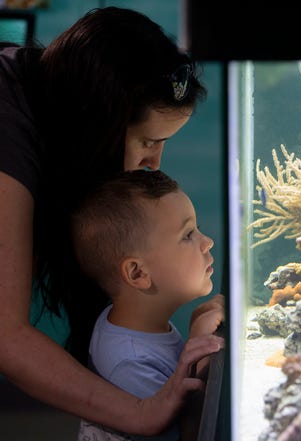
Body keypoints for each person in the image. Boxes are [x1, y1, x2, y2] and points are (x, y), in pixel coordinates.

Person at [0, 6, 223, 437]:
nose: (153, 164)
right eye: (148, 141)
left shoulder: (44, 88)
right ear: (98, 120)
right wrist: (140, 412)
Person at [71, 170, 223, 441]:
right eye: (188, 235)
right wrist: (200, 353)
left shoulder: (131, 322)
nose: (207, 242)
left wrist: (195, 336)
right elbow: (191, 436)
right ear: (138, 274)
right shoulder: (130, 363)